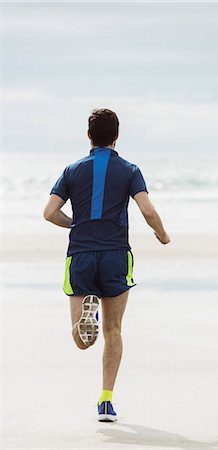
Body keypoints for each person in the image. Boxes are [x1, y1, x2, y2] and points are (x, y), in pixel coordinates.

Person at [43, 108, 170, 422]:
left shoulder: (72, 170)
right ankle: (106, 401)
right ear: (117, 136)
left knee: (82, 340)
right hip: (115, 254)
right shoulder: (129, 169)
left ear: (89, 136)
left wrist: (75, 223)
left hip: (81, 255)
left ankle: (85, 318)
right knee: (113, 331)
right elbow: (147, 210)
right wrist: (162, 234)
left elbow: (49, 212)